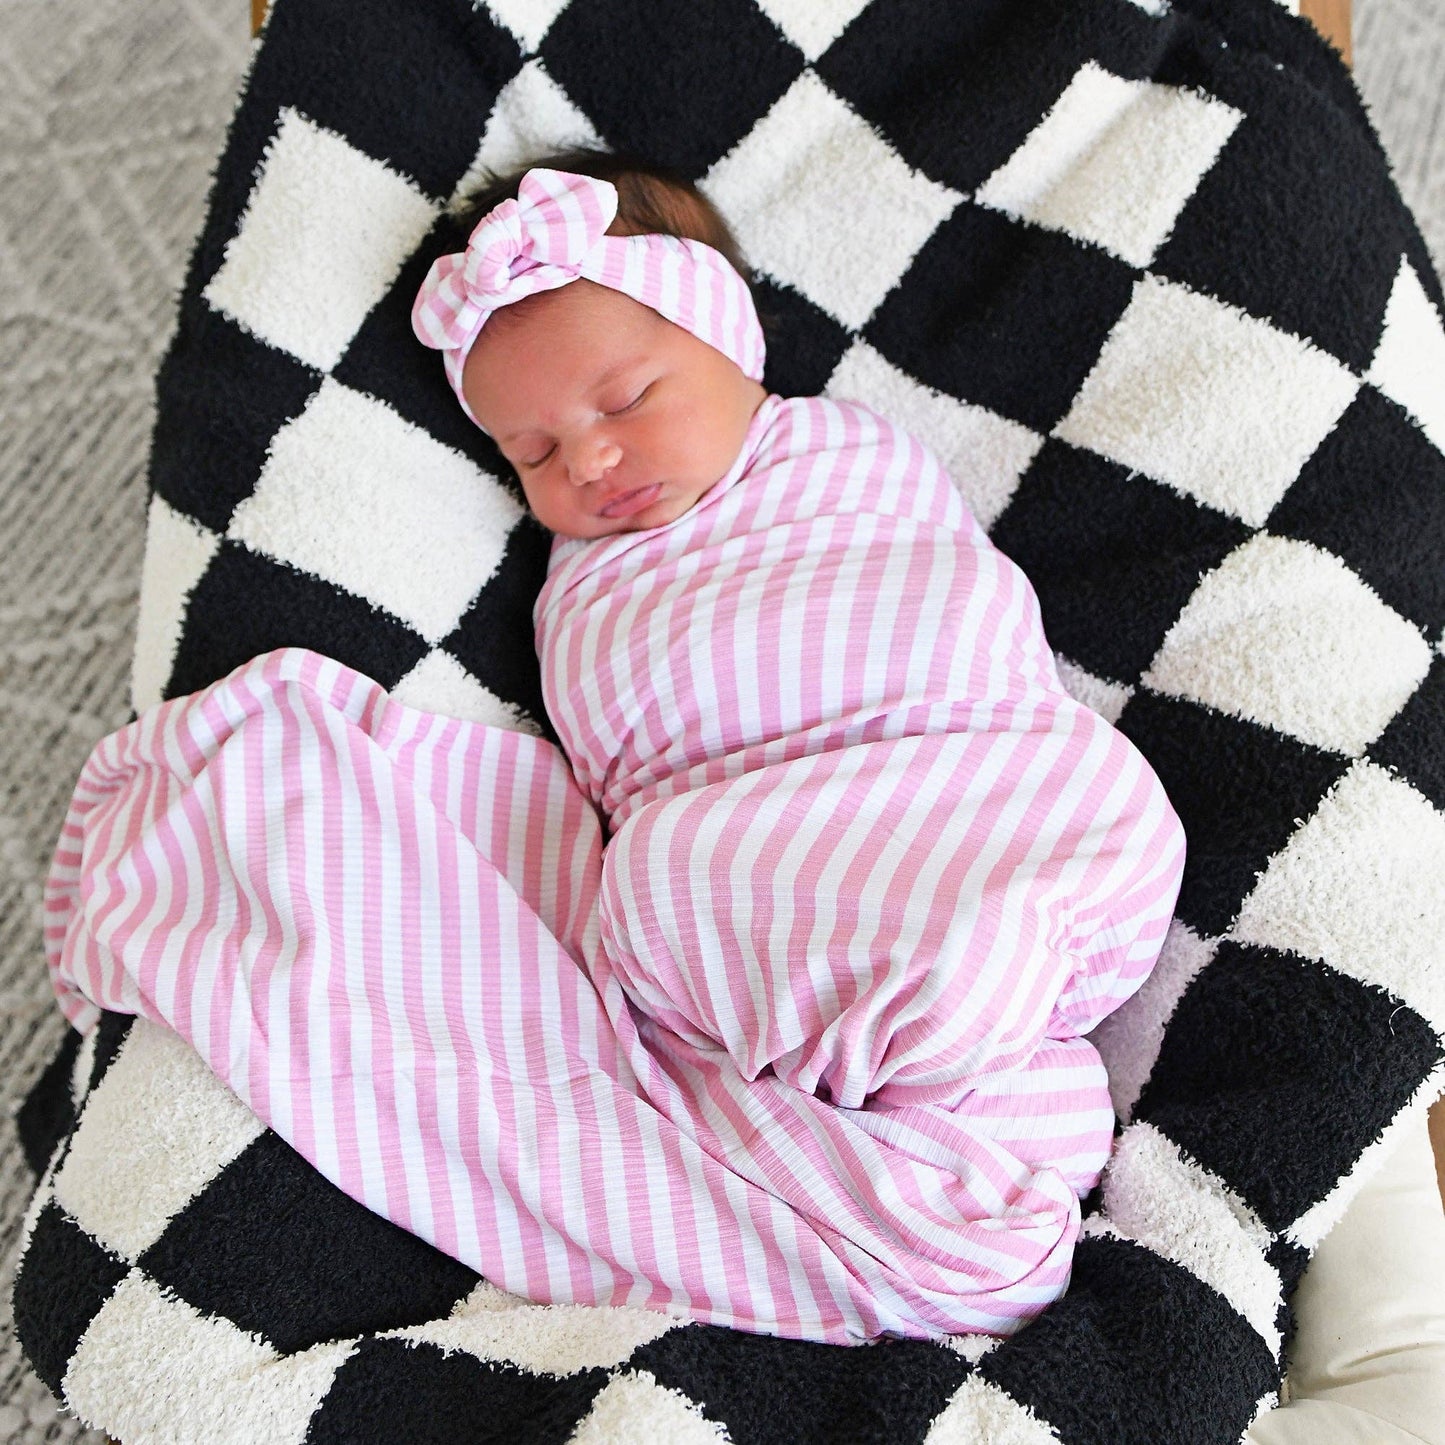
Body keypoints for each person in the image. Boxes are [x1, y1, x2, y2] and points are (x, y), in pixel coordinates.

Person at [413, 157, 1187, 1316]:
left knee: (1089, 789)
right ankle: (935, 1101)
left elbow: (953, 601)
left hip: (961, 770)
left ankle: (935, 1021)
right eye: (531, 451)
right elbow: (621, 767)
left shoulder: (843, 455)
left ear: (730, 340)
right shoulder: (574, 585)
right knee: (647, 885)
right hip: (762, 857)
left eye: (624, 402)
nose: (587, 461)